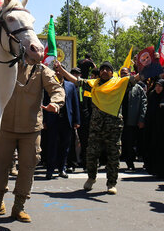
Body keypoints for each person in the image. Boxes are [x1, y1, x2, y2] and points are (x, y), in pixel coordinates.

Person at [0, 61, 64, 222]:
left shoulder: (41, 70)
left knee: (28, 166)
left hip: (31, 129)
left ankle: (19, 206)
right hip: (6, 126)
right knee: (0, 164)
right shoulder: (6, 65)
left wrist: (56, 103)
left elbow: (57, 89)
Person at [55, 60, 130, 195]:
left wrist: (149, 63)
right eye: (102, 69)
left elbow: (138, 78)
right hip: (96, 126)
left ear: (112, 72)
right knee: (91, 153)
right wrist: (61, 70)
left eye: (108, 69)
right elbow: (76, 80)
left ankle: (111, 183)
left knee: (113, 155)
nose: (104, 71)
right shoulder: (93, 84)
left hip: (113, 127)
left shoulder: (119, 83)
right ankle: (91, 178)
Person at [44, 67, 80, 180]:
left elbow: (75, 103)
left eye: (60, 71)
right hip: (53, 119)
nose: (58, 72)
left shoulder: (71, 86)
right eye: (56, 71)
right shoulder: (49, 85)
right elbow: (44, 103)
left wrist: (76, 120)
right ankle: (50, 169)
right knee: (52, 145)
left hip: (66, 120)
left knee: (65, 146)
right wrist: (44, 120)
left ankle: (62, 169)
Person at [121, 68, 146, 171]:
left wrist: (141, 119)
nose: (124, 75)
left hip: (132, 121)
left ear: (130, 74)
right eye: (122, 73)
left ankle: (130, 163)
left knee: (130, 143)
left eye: (125, 73)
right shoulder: (116, 87)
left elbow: (144, 104)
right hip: (118, 120)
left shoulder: (138, 88)